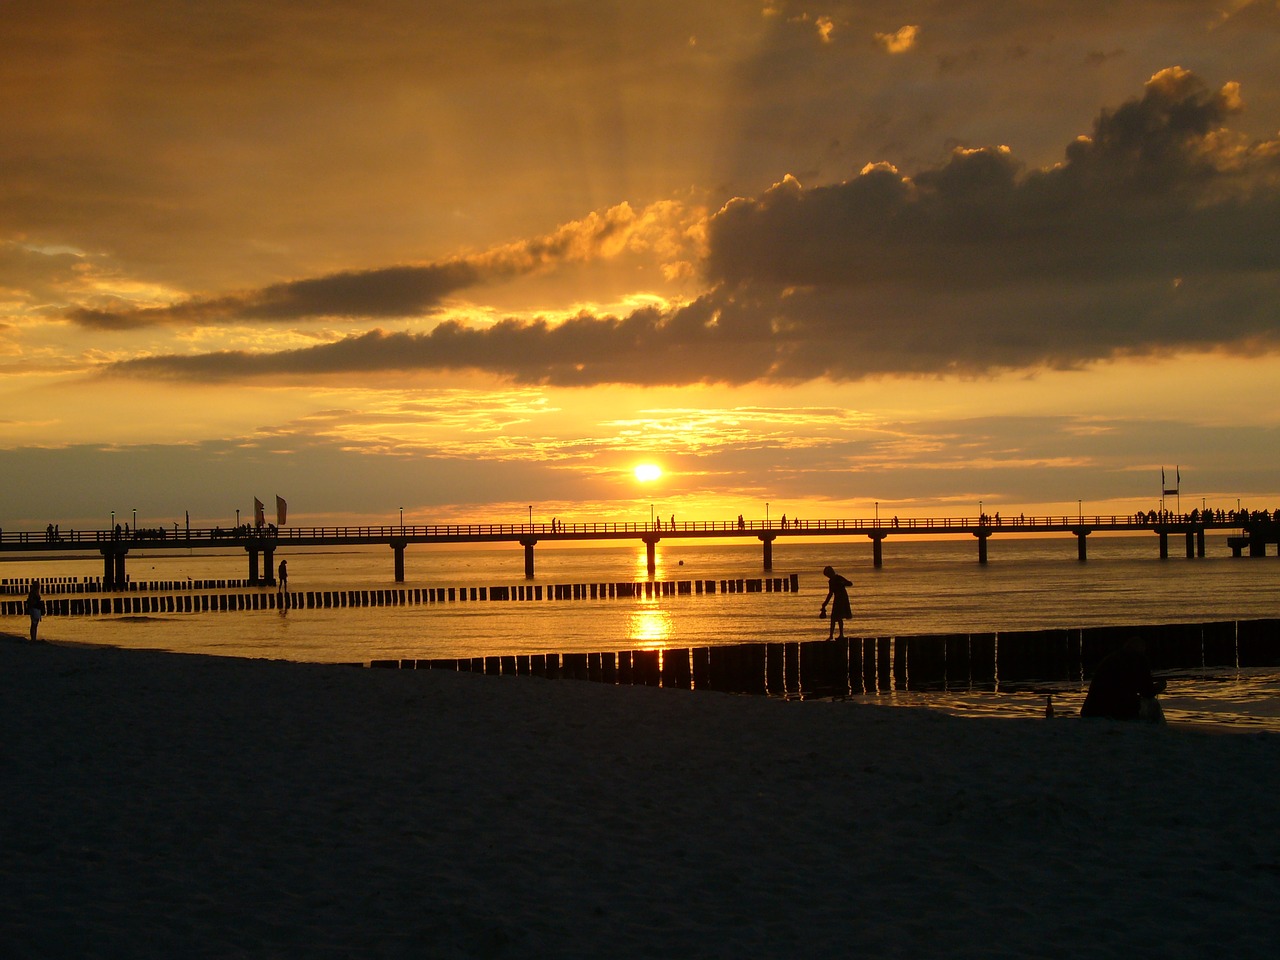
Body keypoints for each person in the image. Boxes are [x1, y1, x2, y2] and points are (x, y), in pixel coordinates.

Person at [1080, 637, 1167, 721]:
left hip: (1091, 709)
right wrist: (1159, 687)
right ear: (1141, 650)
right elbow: (1147, 692)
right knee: (1152, 704)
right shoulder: (1139, 660)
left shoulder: (1110, 659)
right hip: (1117, 711)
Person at [819, 566, 852, 640]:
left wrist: (843, 583)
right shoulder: (831, 581)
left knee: (838, 617)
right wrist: (825, 603)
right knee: (834, 618)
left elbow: (850, 583)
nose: (828, 576)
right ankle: (832, 635)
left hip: (842, 599)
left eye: (828, 575)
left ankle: (840, 634)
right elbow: (830, 593)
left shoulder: (838, 578)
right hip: (838, 599)